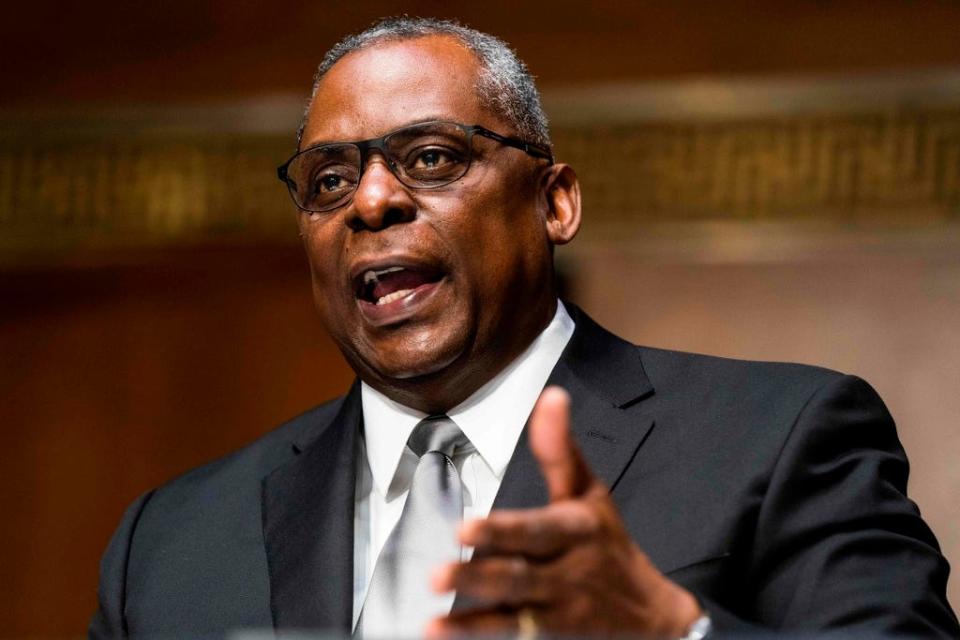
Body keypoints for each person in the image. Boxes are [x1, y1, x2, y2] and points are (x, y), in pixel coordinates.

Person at [90, 17, 959, 639]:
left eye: (431, 157)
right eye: (326, 181)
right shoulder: (169, 544)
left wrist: (675, 633)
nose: (372, 199)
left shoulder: (780, 438)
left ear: (554, 203)